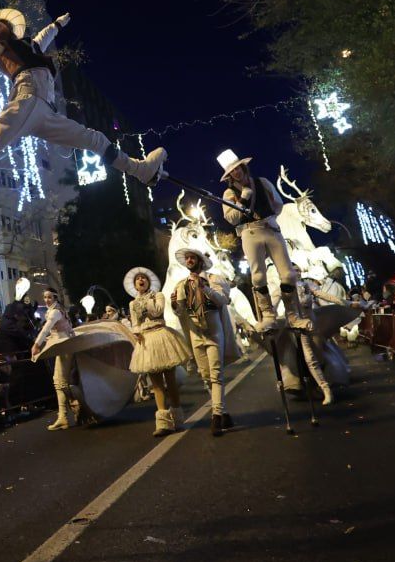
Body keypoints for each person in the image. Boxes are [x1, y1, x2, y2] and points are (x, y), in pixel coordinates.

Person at [0, 9, 167, 184]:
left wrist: (58, 24)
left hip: (45, 112)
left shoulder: (32, 46)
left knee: (94, 139)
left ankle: (138, 170)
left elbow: (44, 35)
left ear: (9, 27)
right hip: (26, 99)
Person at [219, 148, 303, 332]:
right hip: (250, 232)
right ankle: (268, 316)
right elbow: (231, 218)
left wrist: (268, 218)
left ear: (243, 167)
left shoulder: (262, 182)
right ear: (229, 175)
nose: (236, 172)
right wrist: (241, 200)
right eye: (232, 171)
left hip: (270, 228)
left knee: (288, 274)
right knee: (258, 275)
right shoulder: (229, 194)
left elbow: (278, 205)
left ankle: (292, 315)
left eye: (238, 168)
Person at [170, 248, 234, 435]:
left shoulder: (213, 279)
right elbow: (180, 311)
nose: (189, 260)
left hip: (214, 331)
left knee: (216, 375)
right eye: (187, 258)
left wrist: (204, 288)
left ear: (200, 261)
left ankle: (216, 416)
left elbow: (223, 300)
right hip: (195, 333)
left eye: (193, 258)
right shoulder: (181, 284)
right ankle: (225, 413)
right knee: (206, 376)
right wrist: (175, 305)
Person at [125, 267, 191, 436]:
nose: (141, 280)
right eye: (138, 279)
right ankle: (163, 423)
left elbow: (157, 311)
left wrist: (146, 300)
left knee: (170, 381)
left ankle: (177, 418)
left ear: (148, 281)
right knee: (156, 384)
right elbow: (134, 323)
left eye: (143, 278)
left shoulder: (158, 296)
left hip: (161, 335)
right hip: (146, 340)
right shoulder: (133, 303)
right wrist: (136, 332)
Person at [31, 287, 87, 431]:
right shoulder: (55, 310)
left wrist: (37, 344)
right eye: (45, 297)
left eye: (49, 297)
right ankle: (63, 415)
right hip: (62, 346)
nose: (47, 300)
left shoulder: (55, 312)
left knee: (60, 382)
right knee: (58, 382)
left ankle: (76, 405)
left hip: (65, 347)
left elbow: (46, 329)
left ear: (55, 298)